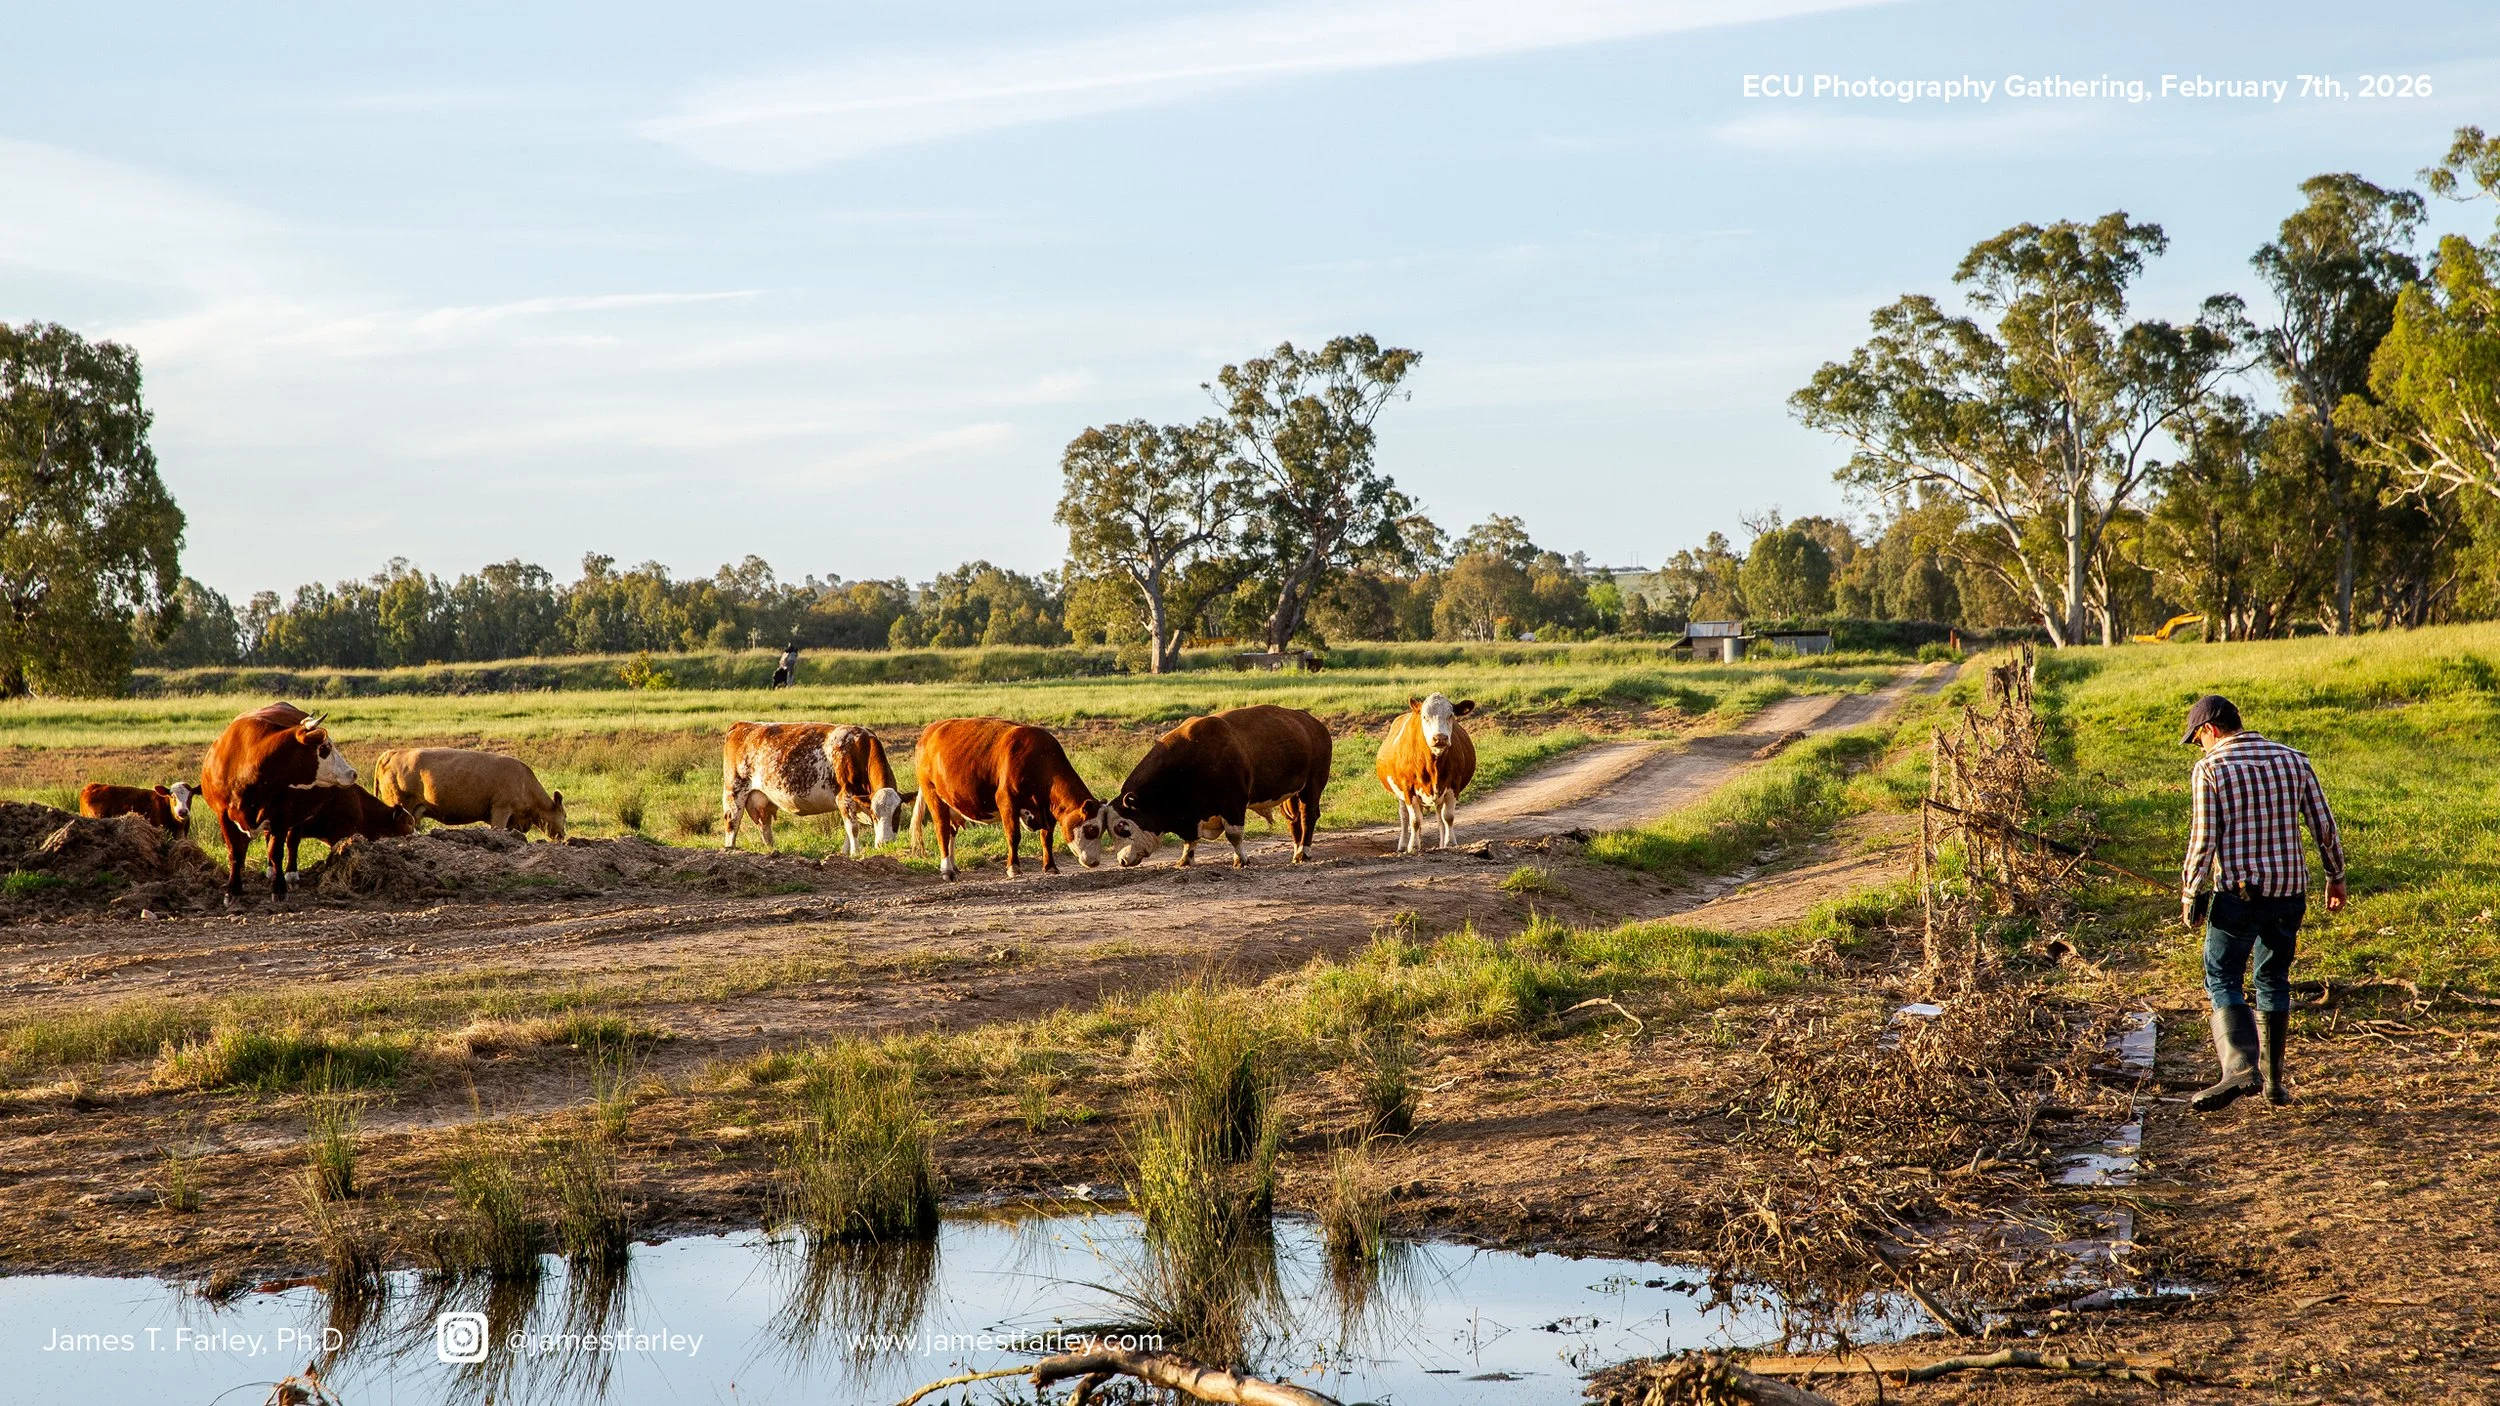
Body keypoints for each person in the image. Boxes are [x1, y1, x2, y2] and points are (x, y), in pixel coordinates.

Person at [2177, 694, 2345, 1111]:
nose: (2200, 748)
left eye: (2198, 740)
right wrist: (2335, 876)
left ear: (2209, 731)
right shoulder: (2294, 759)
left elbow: (2203, 840)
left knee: (2221, 975)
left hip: (2239, 896)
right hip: (2290, 894)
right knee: (2273, 980)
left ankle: (2239, 1068)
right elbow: (2323, 825)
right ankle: (2273, 1085)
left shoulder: (2211, 768)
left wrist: (2191, 892)